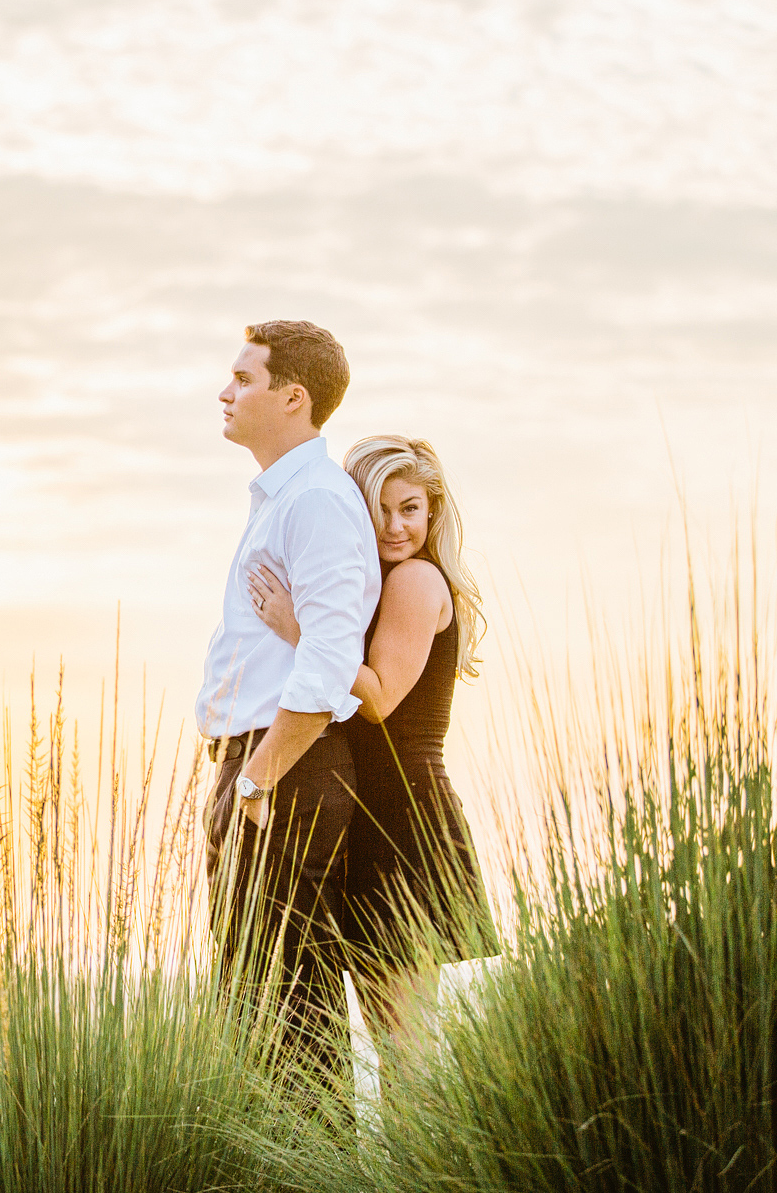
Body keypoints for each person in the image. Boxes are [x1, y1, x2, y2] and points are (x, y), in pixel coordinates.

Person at [248, 434, 495, 1058]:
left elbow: (380, 697)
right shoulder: (375, 587)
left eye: (409, 509)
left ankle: (432, 1161)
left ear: (432, 512)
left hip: (406, 817)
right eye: (376, 509)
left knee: (406, 1042)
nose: (393, 526)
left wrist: (301, 630)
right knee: (387, 1037)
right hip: (370, 814)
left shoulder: (415, 580)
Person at [197, 321, 381, 1079]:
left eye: (243, 378)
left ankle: (315, 1165)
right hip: (262, 767)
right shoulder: (283, 498)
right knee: (255, 999)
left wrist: (255, 777)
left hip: (286, 773)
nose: (224, 391)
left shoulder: (318, 503)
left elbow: (329, 665)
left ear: (292, 396)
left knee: (288, 1005)